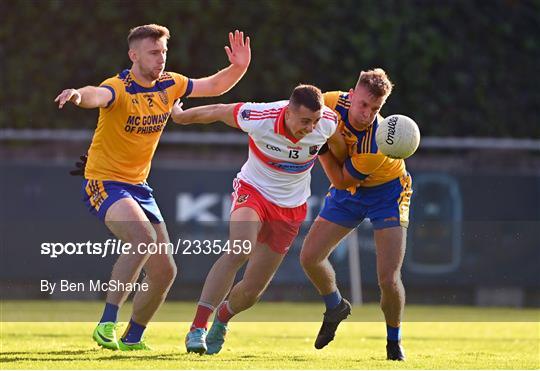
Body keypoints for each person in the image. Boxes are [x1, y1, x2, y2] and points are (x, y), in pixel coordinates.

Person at [54, 24, 251, 351]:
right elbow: (96, 94)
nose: (160, 58)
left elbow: (214, 85)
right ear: (134, 55)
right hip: (105, 180)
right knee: (142, 238)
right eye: (153, 52)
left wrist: (239, 67)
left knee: (164, 272)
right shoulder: (118, 87)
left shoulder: (170, 84)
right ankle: (107, 322)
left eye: (163, 52)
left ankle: (133, 338)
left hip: (139, 187)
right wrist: (77, 95)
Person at [170, 84, 346, 355]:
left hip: (290, 209)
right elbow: (218, 111)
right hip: (253, 192)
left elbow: (341, 150)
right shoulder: (260, 117)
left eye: (315, 121)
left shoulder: (328, 122)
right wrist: (181, 116)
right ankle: (197, 328)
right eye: (305, 121)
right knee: (239, 250)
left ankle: (223, 319)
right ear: (287, 112)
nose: (311, 128)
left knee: (252, 291)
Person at [299, 68, 412, 361]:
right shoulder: (330, 102)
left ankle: (393, 341)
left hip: (387, 193)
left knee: (387, 278)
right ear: (352, 94)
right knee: (309, 257)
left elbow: (340, 180)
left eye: (376, 108)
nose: (367, 113)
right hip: (351, 192)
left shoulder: (379, 142)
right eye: (363, 105)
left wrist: (321, 145)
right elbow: (299, 117)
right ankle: (335, 306)